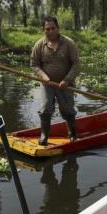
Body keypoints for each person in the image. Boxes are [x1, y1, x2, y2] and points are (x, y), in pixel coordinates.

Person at [30, 16, 81, 145]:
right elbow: (34, 64)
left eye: (53, 28)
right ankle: (44, 136)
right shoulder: (39, 45)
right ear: (43, 30)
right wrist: (43, 76)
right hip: (48, 84)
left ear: (58, 28)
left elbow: (76, 64)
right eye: (47, 29)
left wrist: (67, 80)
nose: (51, 31)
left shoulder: (69, 43)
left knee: (68, 111)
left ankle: (72, 134)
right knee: (46, 108)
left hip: (65, 84)